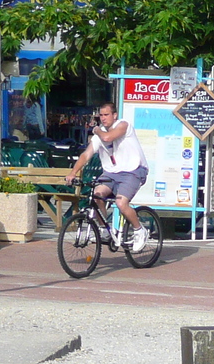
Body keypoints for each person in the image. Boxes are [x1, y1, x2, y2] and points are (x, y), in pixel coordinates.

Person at [64, 101, 152, 253]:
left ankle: (140, 230)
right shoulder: (99, 135)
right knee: (97, 195)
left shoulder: (123, 125)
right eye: (101, 115)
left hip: (133, 170)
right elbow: (86, 155)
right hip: (111, 173)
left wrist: (96, 130)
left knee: (121, 203)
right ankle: (104, 228)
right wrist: (73, 173)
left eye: (106, 115)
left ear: (114, 115)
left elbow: (108, 137)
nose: (103, 118)